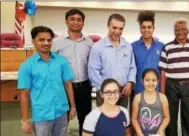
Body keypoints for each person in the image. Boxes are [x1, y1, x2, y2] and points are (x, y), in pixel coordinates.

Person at [18, 26, 76, 136]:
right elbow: (24, 94)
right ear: (34, 41)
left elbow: (68, 84)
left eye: (49, 40)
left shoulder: (61, 60)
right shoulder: (27, 66)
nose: (46, 43)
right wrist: (25, 120)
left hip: (61, 111)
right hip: (41, 115)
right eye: (41, 40)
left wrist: (72, 107)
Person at [52, 8, 93, 136]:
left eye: (79, 20)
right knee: (62, 121)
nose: (76, 22)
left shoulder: (89, 42)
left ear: (83, 23)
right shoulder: (56, 42)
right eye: (72, 19)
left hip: (84, 87)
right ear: (66, 21)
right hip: (63, 88)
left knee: (85, 120)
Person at [159, 18, 189, 136]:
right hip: (171, 86)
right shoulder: (167, 47)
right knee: (170, 116)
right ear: (174, 31)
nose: (180, 31)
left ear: (188, 30)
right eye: (177, 29)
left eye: (183, 29)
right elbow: (162, 72)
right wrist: (162, 94)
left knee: (188, 117)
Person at [88, 13, 136, 108]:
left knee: (121, 121)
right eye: (114, 27)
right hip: (105, 93)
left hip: (123, 92)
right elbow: (93, 71)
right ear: (108, 26)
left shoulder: (127, 47)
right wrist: (106, 90)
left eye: (120, 28)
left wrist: (130, 83)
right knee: (105, 121)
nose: (117, 31)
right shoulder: (98, 47)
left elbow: (132, 67)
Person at [131, 10, 164, 94]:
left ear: (153, 28)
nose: (146, 30)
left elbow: (164, 70)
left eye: (149, 27)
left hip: (156, 90)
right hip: (138, 90)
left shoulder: (161, 46)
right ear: (140, 28)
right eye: (143, 27)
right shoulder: (132, 47)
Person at [131, 68, 170, 136]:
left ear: (158, 81)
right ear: (142, 81)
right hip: (141, 133)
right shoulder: (137, 98)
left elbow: (167, 117)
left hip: (158, 134)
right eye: (147, 80)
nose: (150, 83)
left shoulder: (163, 98)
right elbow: (134, 119)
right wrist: (139, 132)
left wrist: (161, 129)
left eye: (154, 80)